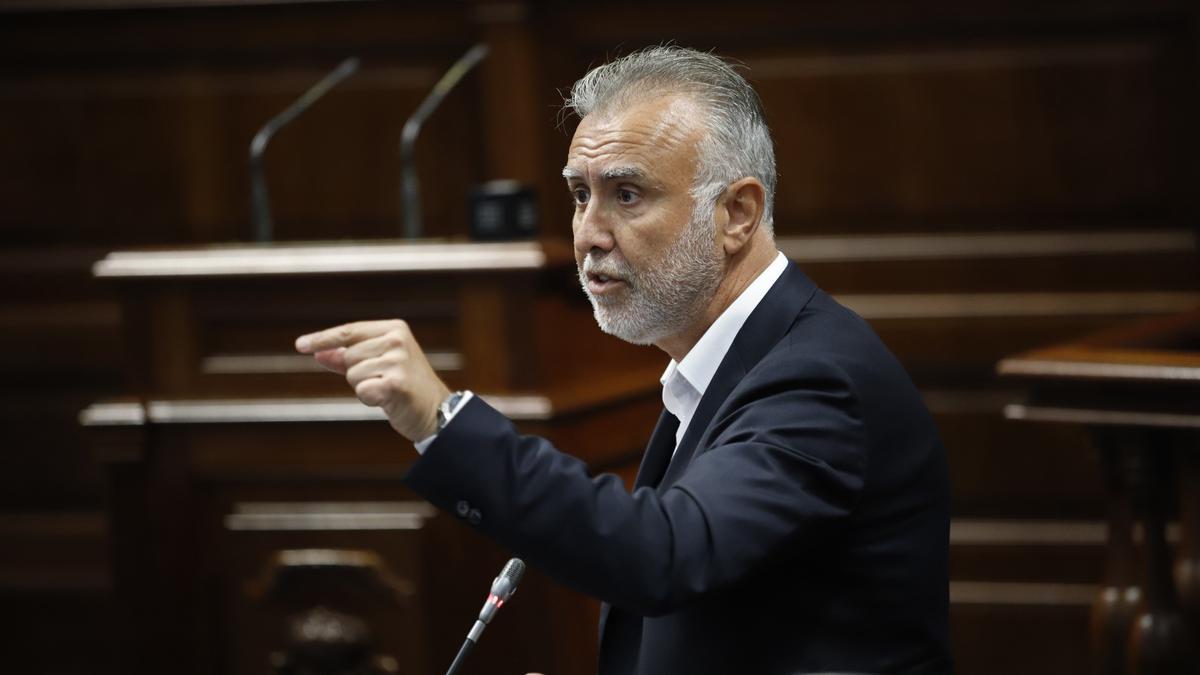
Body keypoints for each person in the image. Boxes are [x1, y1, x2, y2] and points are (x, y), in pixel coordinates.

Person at [295, 46, 951, 675]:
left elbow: (663, 553)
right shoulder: (725, 366)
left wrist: (441, 420)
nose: (588, 232)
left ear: (737, 213)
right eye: (581, 194)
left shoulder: (817, 379)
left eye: (627, 194)